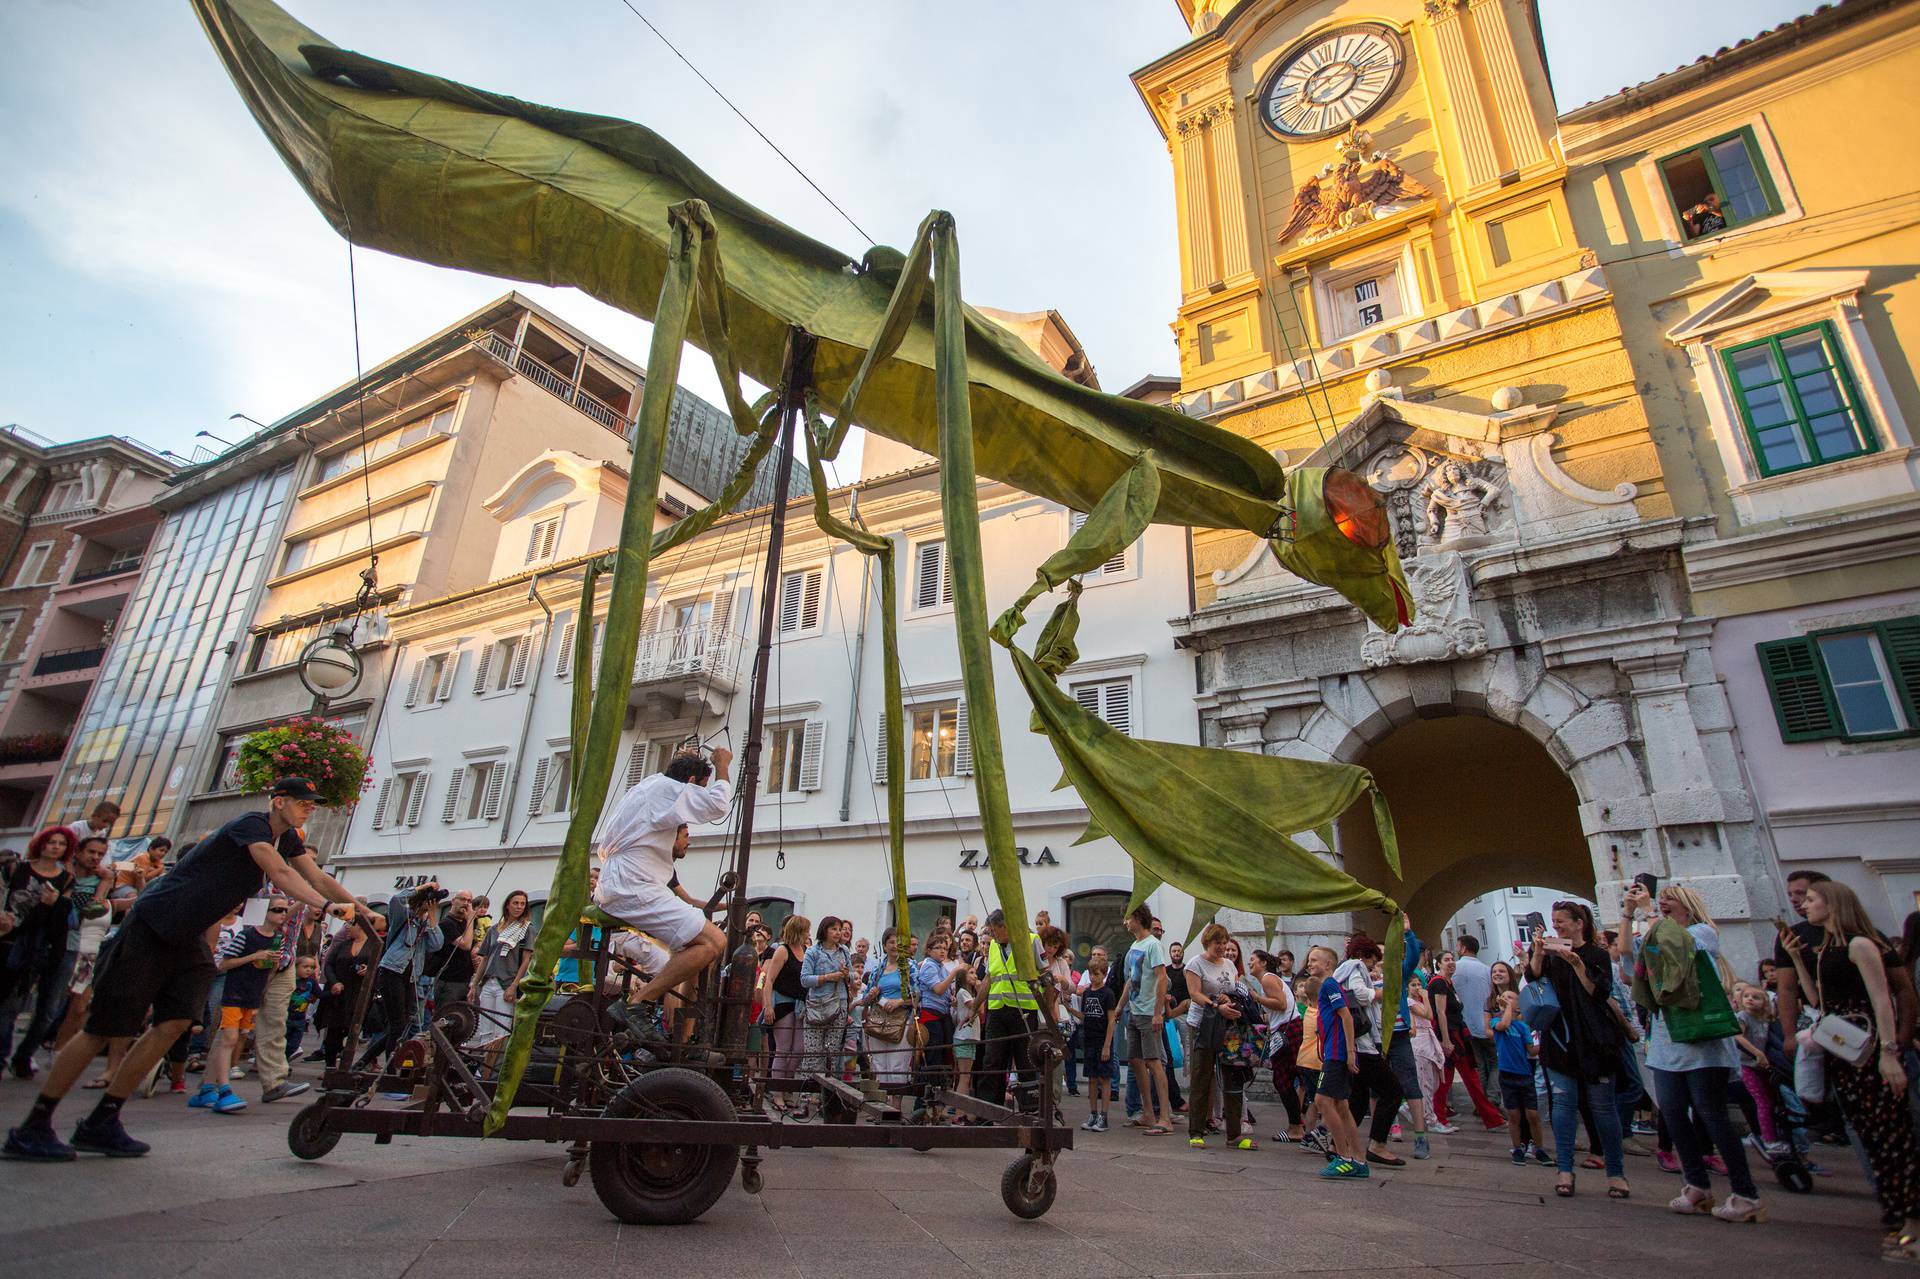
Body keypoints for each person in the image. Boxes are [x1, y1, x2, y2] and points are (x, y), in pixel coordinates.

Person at [4, 778, 357, 1160]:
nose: (310, 808)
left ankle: (102, 1120)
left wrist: (364, 910)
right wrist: (324, 907)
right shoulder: (252, 825)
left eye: (313, 804)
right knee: (104, 1027)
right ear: (278, 801)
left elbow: (317, 875)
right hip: (154, 923)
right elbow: (281, 875)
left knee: (175, 1023)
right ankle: (33, 1126)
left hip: (187, 935)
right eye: (303, 802)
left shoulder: (288, 840)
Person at [1783, 879, 1920, 1261]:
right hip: (1843, 1053)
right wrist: (1797, 959)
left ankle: (1913, 1224)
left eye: (1811, 900)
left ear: (1834, 904)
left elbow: (1882, 1001)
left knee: (1894, 1138)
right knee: (1874, 1140)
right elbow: (1816, 1001)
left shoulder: (1861, 944)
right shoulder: (1827, 949)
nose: (1805, 906)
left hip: (1869, 1049)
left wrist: (1890, 1052)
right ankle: (1897, 1219)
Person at [1621, 881, 1761, 1220]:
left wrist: (1650, 912)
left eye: (1670, 900)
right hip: (1668, 1037)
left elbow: (1675, 947)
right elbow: (1627, 960)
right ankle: (1696, 1185)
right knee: (1671, 1111)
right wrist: (1627, 915)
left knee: (1710, 1113)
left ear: (1686, 905)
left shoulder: (1702, 933)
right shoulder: (1654, 934)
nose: (1662, 903)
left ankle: (1746, 1194)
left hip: (1701, 1037)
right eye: (1661, 900)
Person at [592, 748, 733, 1019]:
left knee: (697, 955)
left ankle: (680, 1034)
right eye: (698, 788)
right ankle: (636, 1004)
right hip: (633, 886)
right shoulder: (666, 788)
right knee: (713, 940)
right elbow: (717, 805)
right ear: (690, 782)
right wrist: (723, 767)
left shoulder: (650, 785)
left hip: (628, 882)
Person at [1529, 899, 1628, 1200]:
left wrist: (1577, 964)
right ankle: (1564, 1169)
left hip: (1594, 1040)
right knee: (1563, 1107)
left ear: (1578, 923)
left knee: (1603, 1110)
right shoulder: (1552, 953)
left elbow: (1599, 991)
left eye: (1560, 921)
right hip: (1559, 1039)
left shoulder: (1596, 953)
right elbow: (1533, 979)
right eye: (1553, 921)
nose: (1556, 926)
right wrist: (1537, 951)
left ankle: (1616, 1173)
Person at [195, 896, 291, 1114]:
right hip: (235, 991)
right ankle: (225, 1089)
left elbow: (271, 969)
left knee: (230, 1039)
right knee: (228, 1038)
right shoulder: (246, 935)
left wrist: (272, 964)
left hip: (253, 993)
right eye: (277, 910)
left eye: (285, 910)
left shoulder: (278, 938)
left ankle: (208, 1087)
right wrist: (254, 956)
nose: (283, 914)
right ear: (264, 912)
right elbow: (224, 963)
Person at [0, 826, 77, 1078]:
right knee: (10, 1006)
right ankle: (2, 1057)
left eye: (61, 844)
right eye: (51, 842)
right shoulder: (18, 869)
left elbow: (61, 921)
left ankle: (23, 1056)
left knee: (46, 1012)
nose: (55, 847)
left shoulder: (65, 878)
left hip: (45, 945)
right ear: (41, 844)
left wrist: (51, 905)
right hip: (13, 942)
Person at [1334, 931, 1404, 1168]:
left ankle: (1339, 1144)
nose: (1374, 966)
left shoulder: (1342, 969)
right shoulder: (1355, 967)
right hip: (1362, 1045)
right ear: (1365, 955)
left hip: (1352, 1043)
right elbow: (1361, 995)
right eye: (1373, 961)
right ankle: (1377, 1145)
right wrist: (1382, 993)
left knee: (1358, 1099)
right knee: (1393, 1090)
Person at [1184, 923, 1255, 1150]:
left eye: (1225, 943)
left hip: (1228, 1025)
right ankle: (1196, 1130)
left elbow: (1233, 989)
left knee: (1232, 1076)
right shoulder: (1196, 963)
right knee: (1202, 1076)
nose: (1222, 947)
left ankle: (1234, 1133)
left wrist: (1228, 1001)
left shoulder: (1229, 965)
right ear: (1208, 942)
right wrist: (1216, 1004)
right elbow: (1195, 994)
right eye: (1218, 943)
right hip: (1203, 1024)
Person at [357, 885, 444, 1069]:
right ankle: (390, 1071)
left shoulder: (425, 926)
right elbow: (396, 899)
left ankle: (363, 1062)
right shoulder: (403, 917)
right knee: (398, 1024)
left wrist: (432, 917)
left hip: (411, 978)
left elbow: (437, 945)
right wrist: (422, 888)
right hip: (391, 972)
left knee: (402, 1026)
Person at [1429, 951, 1504, 1130]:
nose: (1451, 962)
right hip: (1452, 1036)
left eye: (1452, 959)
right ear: (1438, 964)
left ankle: (1439, 1116)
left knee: (1449, 1078)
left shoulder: (1449, 983)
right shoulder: (1439, 983)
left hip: (1457, 1033)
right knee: (1467, 1077)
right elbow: (1440, 1013)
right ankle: (1491, 1118)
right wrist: (1445, 1040)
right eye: (1446, 960)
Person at [1308, 945, 1365, 1178]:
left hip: (1337, 1053)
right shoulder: (1329, 986)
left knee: (1322, 1101)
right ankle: (1358, 1159)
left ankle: (1344, 1156)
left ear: (1328, 964)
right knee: (1341, 1106)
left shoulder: (1330, 984)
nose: (1309, 964)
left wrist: (1350, 1052)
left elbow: (1346, 1016)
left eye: (1314, 960)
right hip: (1334, 1052)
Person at [1115, 904, 1173, 1135]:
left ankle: (1165, 1117)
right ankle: (1148, 1112)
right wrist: (1121, 1005)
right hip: (1135, 1010)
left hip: (1149, 1012)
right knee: (1136, 1061)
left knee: (1154, 1061)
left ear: (1138, 918)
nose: (1125, 922)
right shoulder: (1135, 945)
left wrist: (1158, 1012)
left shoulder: (1153, 945)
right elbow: (1131, 979)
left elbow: (1162, 978)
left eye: (1127, 918)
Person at [1488, 962, 1551, 1165]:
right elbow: (1501, 1025)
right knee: (1514, 1114)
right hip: (1507, 1073)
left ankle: (1537, 1146)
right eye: (1494, 971)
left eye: (1502, 971)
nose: (1497, 974)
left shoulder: (1522, 1022)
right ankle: (1519, 1146)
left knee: (1532, 1113)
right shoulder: (1496, 1016)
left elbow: (1532, 1048)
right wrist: (1506, 1009)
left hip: (1525, 1071)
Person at [979, 909, 1040, 1113]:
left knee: (1025, 1063)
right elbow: (989, 978)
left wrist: (1050, 1011)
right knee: (992, 1062)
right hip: (997, 1011)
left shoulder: (1031, 940)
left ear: (1004, 926)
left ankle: (1029, 1110)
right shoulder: (995, 947)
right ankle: (990, 1111)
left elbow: (1046, 975)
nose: (992, 935)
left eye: (994, 930)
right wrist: (974, 1008)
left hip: (1024, 1011)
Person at [466, 890, 532, 1049]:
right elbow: (485, 958)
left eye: (522, 904)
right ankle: (482, 1070)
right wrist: (475, 984)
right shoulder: (494, 929)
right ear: (508, 905)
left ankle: (495, 1067)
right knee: (485, 1028)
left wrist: (515, 985)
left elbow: (526, 960)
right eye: (516, 903)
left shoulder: (526, 928)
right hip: (489, 981)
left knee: (501, 1030)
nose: (519, 907)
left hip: (507, 982)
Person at [761, 914, 810, 1113]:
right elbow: (769, 980)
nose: (808, 934)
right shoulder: (782, 950)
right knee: (783, 1048)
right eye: (805, 930)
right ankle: (778, 1092)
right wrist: (768, 1006)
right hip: (782, 1002)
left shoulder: (805, 951)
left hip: (799, 1003)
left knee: (798, 1049)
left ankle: (788, 1086)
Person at [799, 916, 854, 1090]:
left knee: (832, 1052)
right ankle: (807, 1096)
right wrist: (828, 977)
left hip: (839, 1003)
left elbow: (853, 976)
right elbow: (805, 980)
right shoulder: (813, 952)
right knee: (813, 1052)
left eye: (840, 929)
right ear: (824, 931)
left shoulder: (844, 951)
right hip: (817, 1004)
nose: (838, 933)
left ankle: (827, 1096)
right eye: (834, 929)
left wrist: (846, 975)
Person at [859, 928, 913, 1085]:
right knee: (879, 1065)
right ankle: (883, 1103)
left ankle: (895, 1105)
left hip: (902, 1020)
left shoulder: (910, 967)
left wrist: (899, 1002)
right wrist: (871, 995)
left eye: (898, 942)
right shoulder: (877, 969)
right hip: (878, 1020)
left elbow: (918, 994)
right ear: (884, 945)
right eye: (891, 942)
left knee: (898, 1065)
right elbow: (865, 999)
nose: (895, 945)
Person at [1078, 945, 1117, 1132]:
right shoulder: (1086, 993)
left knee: (1104, 1078)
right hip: (1089, 1040)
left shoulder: (1108, 994)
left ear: (1104, 975)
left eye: (1097, 974)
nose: (1093, 978)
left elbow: (1111, 1021)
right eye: (1091, 974)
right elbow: (1084, 1016)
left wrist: (1107, 1045)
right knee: (1092, 1078)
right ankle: (1093, 1113)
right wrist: (1069, 1010)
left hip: (1102, 1040)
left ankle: (1104, 1115)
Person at [425, 889, 478, 1015]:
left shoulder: (466, 924)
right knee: (445, 1017)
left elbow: (474, 945)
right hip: (449, 980)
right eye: (462, 899)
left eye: (469, 901)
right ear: (453, 901)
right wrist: (470, 920)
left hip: (465, 979)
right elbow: (465, 944)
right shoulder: (446, 923)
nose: (466, 903)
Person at [1454, 935, 1497, 1083]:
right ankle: (1493, 1097)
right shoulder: (1487, 969)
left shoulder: (1454, 969)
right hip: (1487, 1023)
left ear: (1463, 948)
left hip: (1465, 1025)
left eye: (1458, 946)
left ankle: (1483, 1101)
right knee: (1493, 1062)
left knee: (1477, 1064)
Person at [285, 955, 322, 1063]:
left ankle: (284, 1061)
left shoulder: (311, 982)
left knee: (294, 1044)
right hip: (287, 1016)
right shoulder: (290, 979)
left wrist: (333, 992)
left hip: (300, 1018)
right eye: (305, 966)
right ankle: (280, 1064)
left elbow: (320, 994)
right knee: (282, 1042)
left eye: (312, 967)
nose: (309, 969)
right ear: (296, 967)